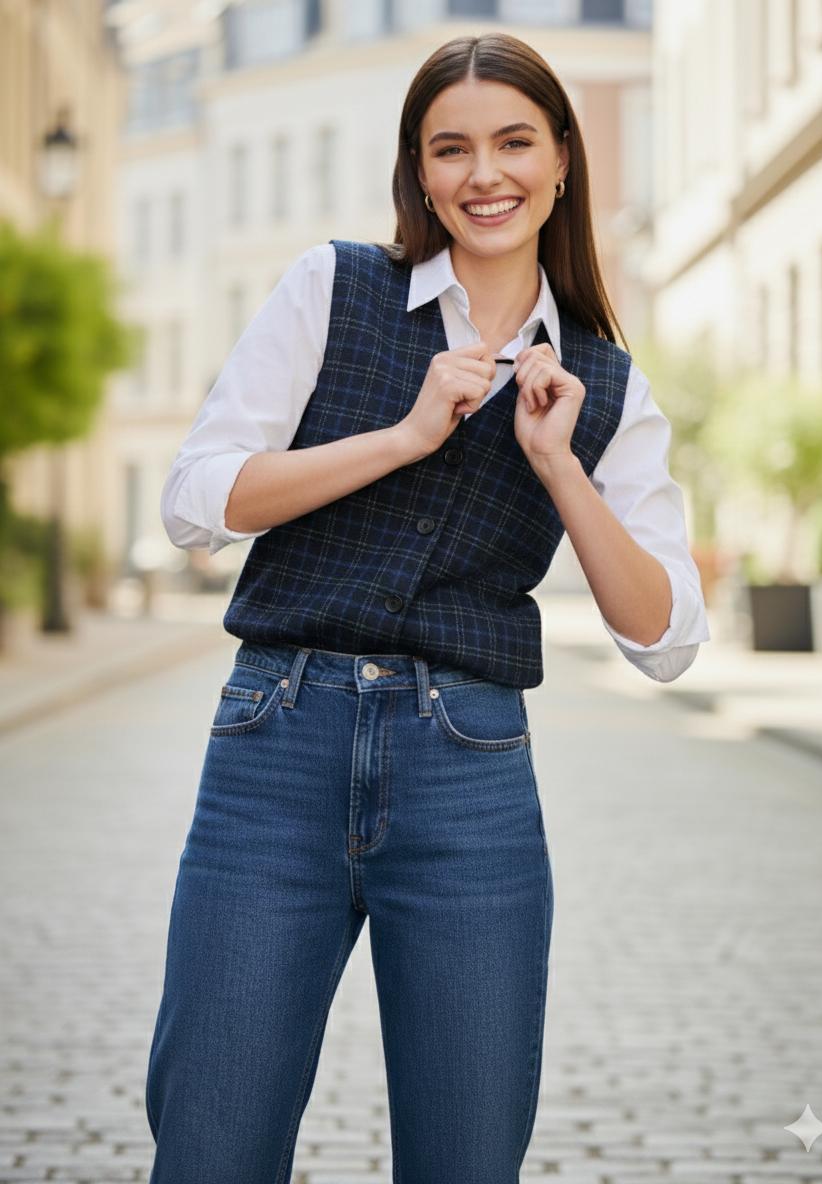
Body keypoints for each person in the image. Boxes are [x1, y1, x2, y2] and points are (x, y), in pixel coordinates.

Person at [145, 31, 710, 1184]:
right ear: (418, 170)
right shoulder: (332, 286)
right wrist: (402, 437)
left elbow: (665, 638)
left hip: (471, 775)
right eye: (451, 149)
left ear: (562, 159)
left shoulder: (606, 381)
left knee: (466, 1159)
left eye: (513, 141)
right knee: (211, 1145)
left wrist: (561, 467)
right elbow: (196, 501)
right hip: (276, 748)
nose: (483, 173)